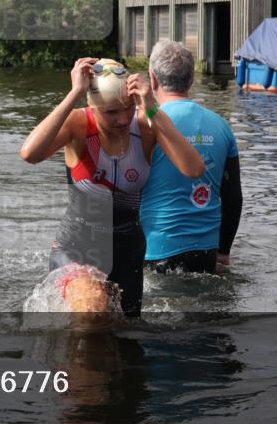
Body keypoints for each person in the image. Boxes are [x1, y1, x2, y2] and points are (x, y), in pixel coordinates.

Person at [20, 58, 205, 317]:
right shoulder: (79, 124)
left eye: (128, 108)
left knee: (123, 338)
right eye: (110, 112)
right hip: (78, 246)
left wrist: (151, 107)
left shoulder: (144, 126)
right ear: (92, 106)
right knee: (91, 314)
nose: (122, 119)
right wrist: (74, 93)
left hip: (128, 249)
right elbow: (30, 153)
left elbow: (194, 168)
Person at [140, 40, 243, 275]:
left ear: (153, 79)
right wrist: (223, 252)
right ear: (192, 78)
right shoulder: (222, 126)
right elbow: (233, 197)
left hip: (155, 249)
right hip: (206, 252)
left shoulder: (143, 124)